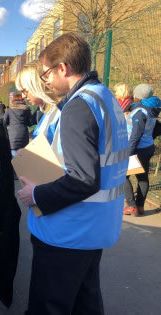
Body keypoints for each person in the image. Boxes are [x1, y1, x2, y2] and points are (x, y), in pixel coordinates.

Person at [17, 33, 128, 314]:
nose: (46, 82)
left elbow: (82, 179)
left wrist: (36, 194)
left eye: (46, 74)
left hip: (67, 233)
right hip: (94, 229)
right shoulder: (105, 98)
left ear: (63, 69)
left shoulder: (78, 107)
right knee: (85, 305)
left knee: (49, 307)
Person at [124, 84, 161, 216]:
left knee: (122, 176)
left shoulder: (140, 111)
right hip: (147, 147)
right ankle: (140, 207)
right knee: (142, 178)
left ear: (137, 95)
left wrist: (128, 153)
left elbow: (136, 135)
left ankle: (131, 206)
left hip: (137, 149)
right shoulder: (152, 108)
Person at [15, 60, 59, 144]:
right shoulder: (48, 111)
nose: (23, 96)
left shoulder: (59, 112)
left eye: (25, 90)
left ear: (36, 85)